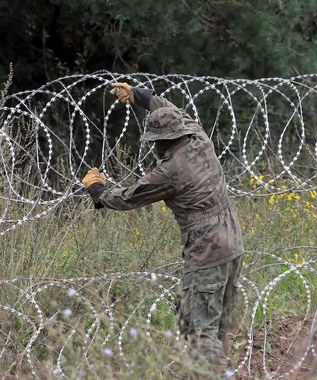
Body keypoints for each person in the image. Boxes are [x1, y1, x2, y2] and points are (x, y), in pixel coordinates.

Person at [81, 82, 244, 377]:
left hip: (206, 248)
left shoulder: (169, 172)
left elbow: (130, 196)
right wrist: (141, 96)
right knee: (213, 323)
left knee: (199, 329)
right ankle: (207, 371)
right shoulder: (198, 136)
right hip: (233, 240)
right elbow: (174, 110)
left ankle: (207, 374)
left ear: (161, 142)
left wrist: (97, 191)